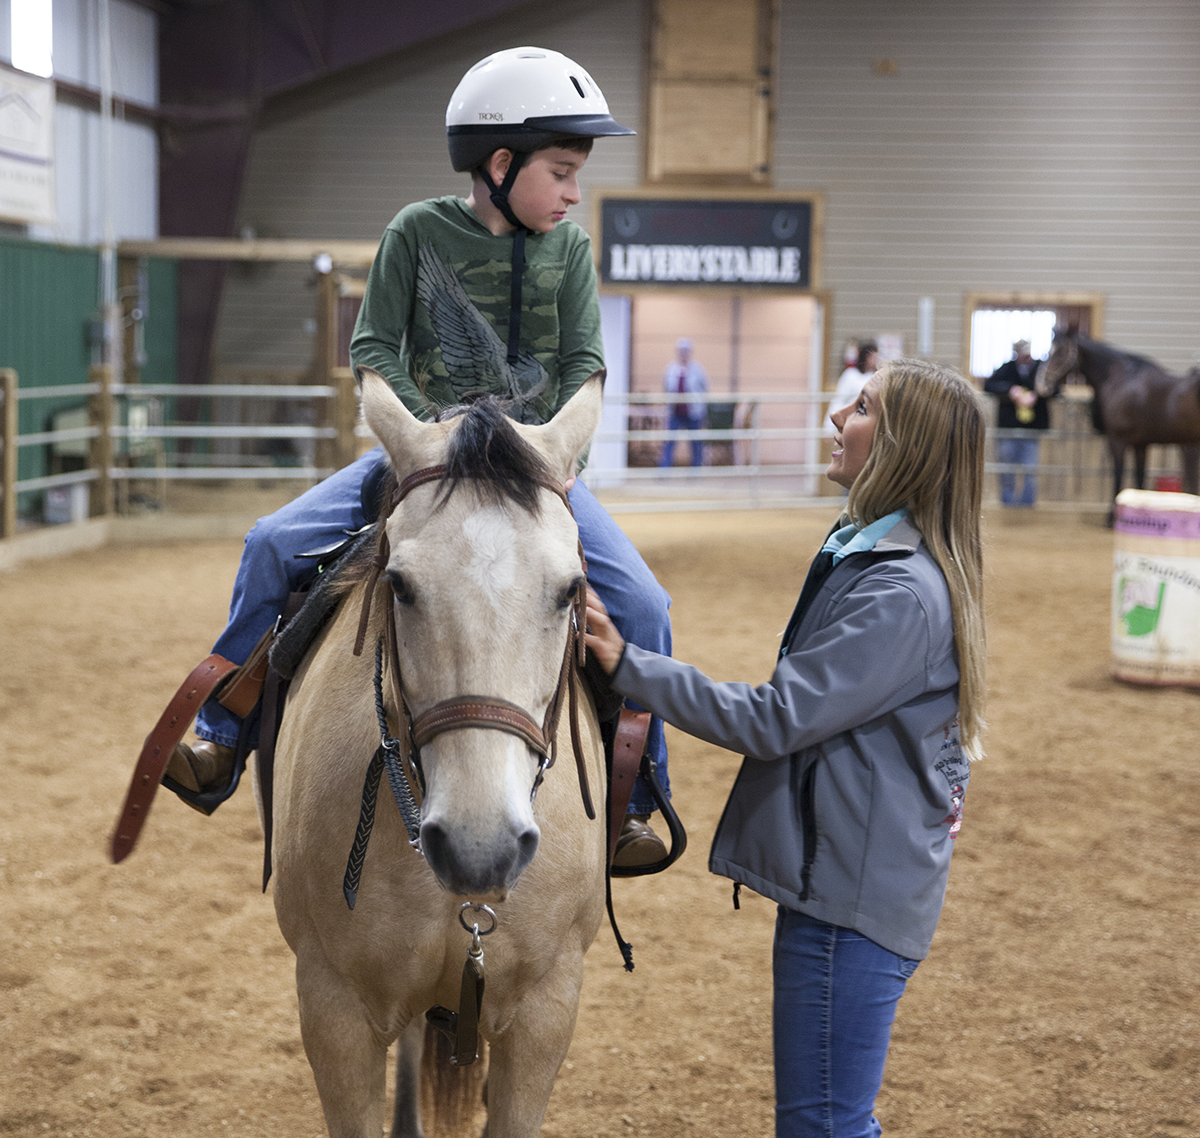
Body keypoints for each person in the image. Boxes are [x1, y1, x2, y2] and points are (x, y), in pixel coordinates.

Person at [165, 47, 673, 867]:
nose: (576, 192)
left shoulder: (571, 252)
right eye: (563, 170)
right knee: (269, 544)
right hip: (420, 462)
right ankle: (220, 738)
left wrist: (559, 447)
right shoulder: (415, 232)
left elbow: (587, 370)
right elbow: (375, 357)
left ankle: (633, 802)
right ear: (501, 163)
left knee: (646, 608)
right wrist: (416, 438)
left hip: (536, 475)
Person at [585, 357, 986, 1137]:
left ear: (903, 444)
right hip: (846, 878)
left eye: (861, 408)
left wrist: (628, 665)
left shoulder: (899, 592)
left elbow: (775, 718)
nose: (838, 418)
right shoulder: (868, 554)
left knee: (827, 1127)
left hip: (850, 897)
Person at [983, 338, 1049, 507]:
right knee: (1006, 470)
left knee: (1030, 471)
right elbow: (989, 385)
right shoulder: (1007, 368)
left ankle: (1027, 506)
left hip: (1031, 430)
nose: (1025, 357)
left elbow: (1054, 387)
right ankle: (1008, 504)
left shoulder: (1041, 369)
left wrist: (1036, 394)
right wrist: (1011, 391)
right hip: (1008, 429)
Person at [659, 337, 709, 468]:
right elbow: (665, 387)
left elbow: (705, 387)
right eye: (681, 351)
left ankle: (696, 470)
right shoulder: (670, 369)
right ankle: (664, 469)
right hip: (675, 412)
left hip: (693, 412)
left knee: (695, 443)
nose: (684, 354)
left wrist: (699, 403)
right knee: (669, 442)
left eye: (686, 351)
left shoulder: (697, 369)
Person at [824, 338, 879, 434]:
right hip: (850, 419)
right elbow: (839, 399)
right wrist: (830, 426)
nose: (875, 360)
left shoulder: (877, 376)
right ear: (865, 357)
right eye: (872, 357)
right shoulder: (850, 375)